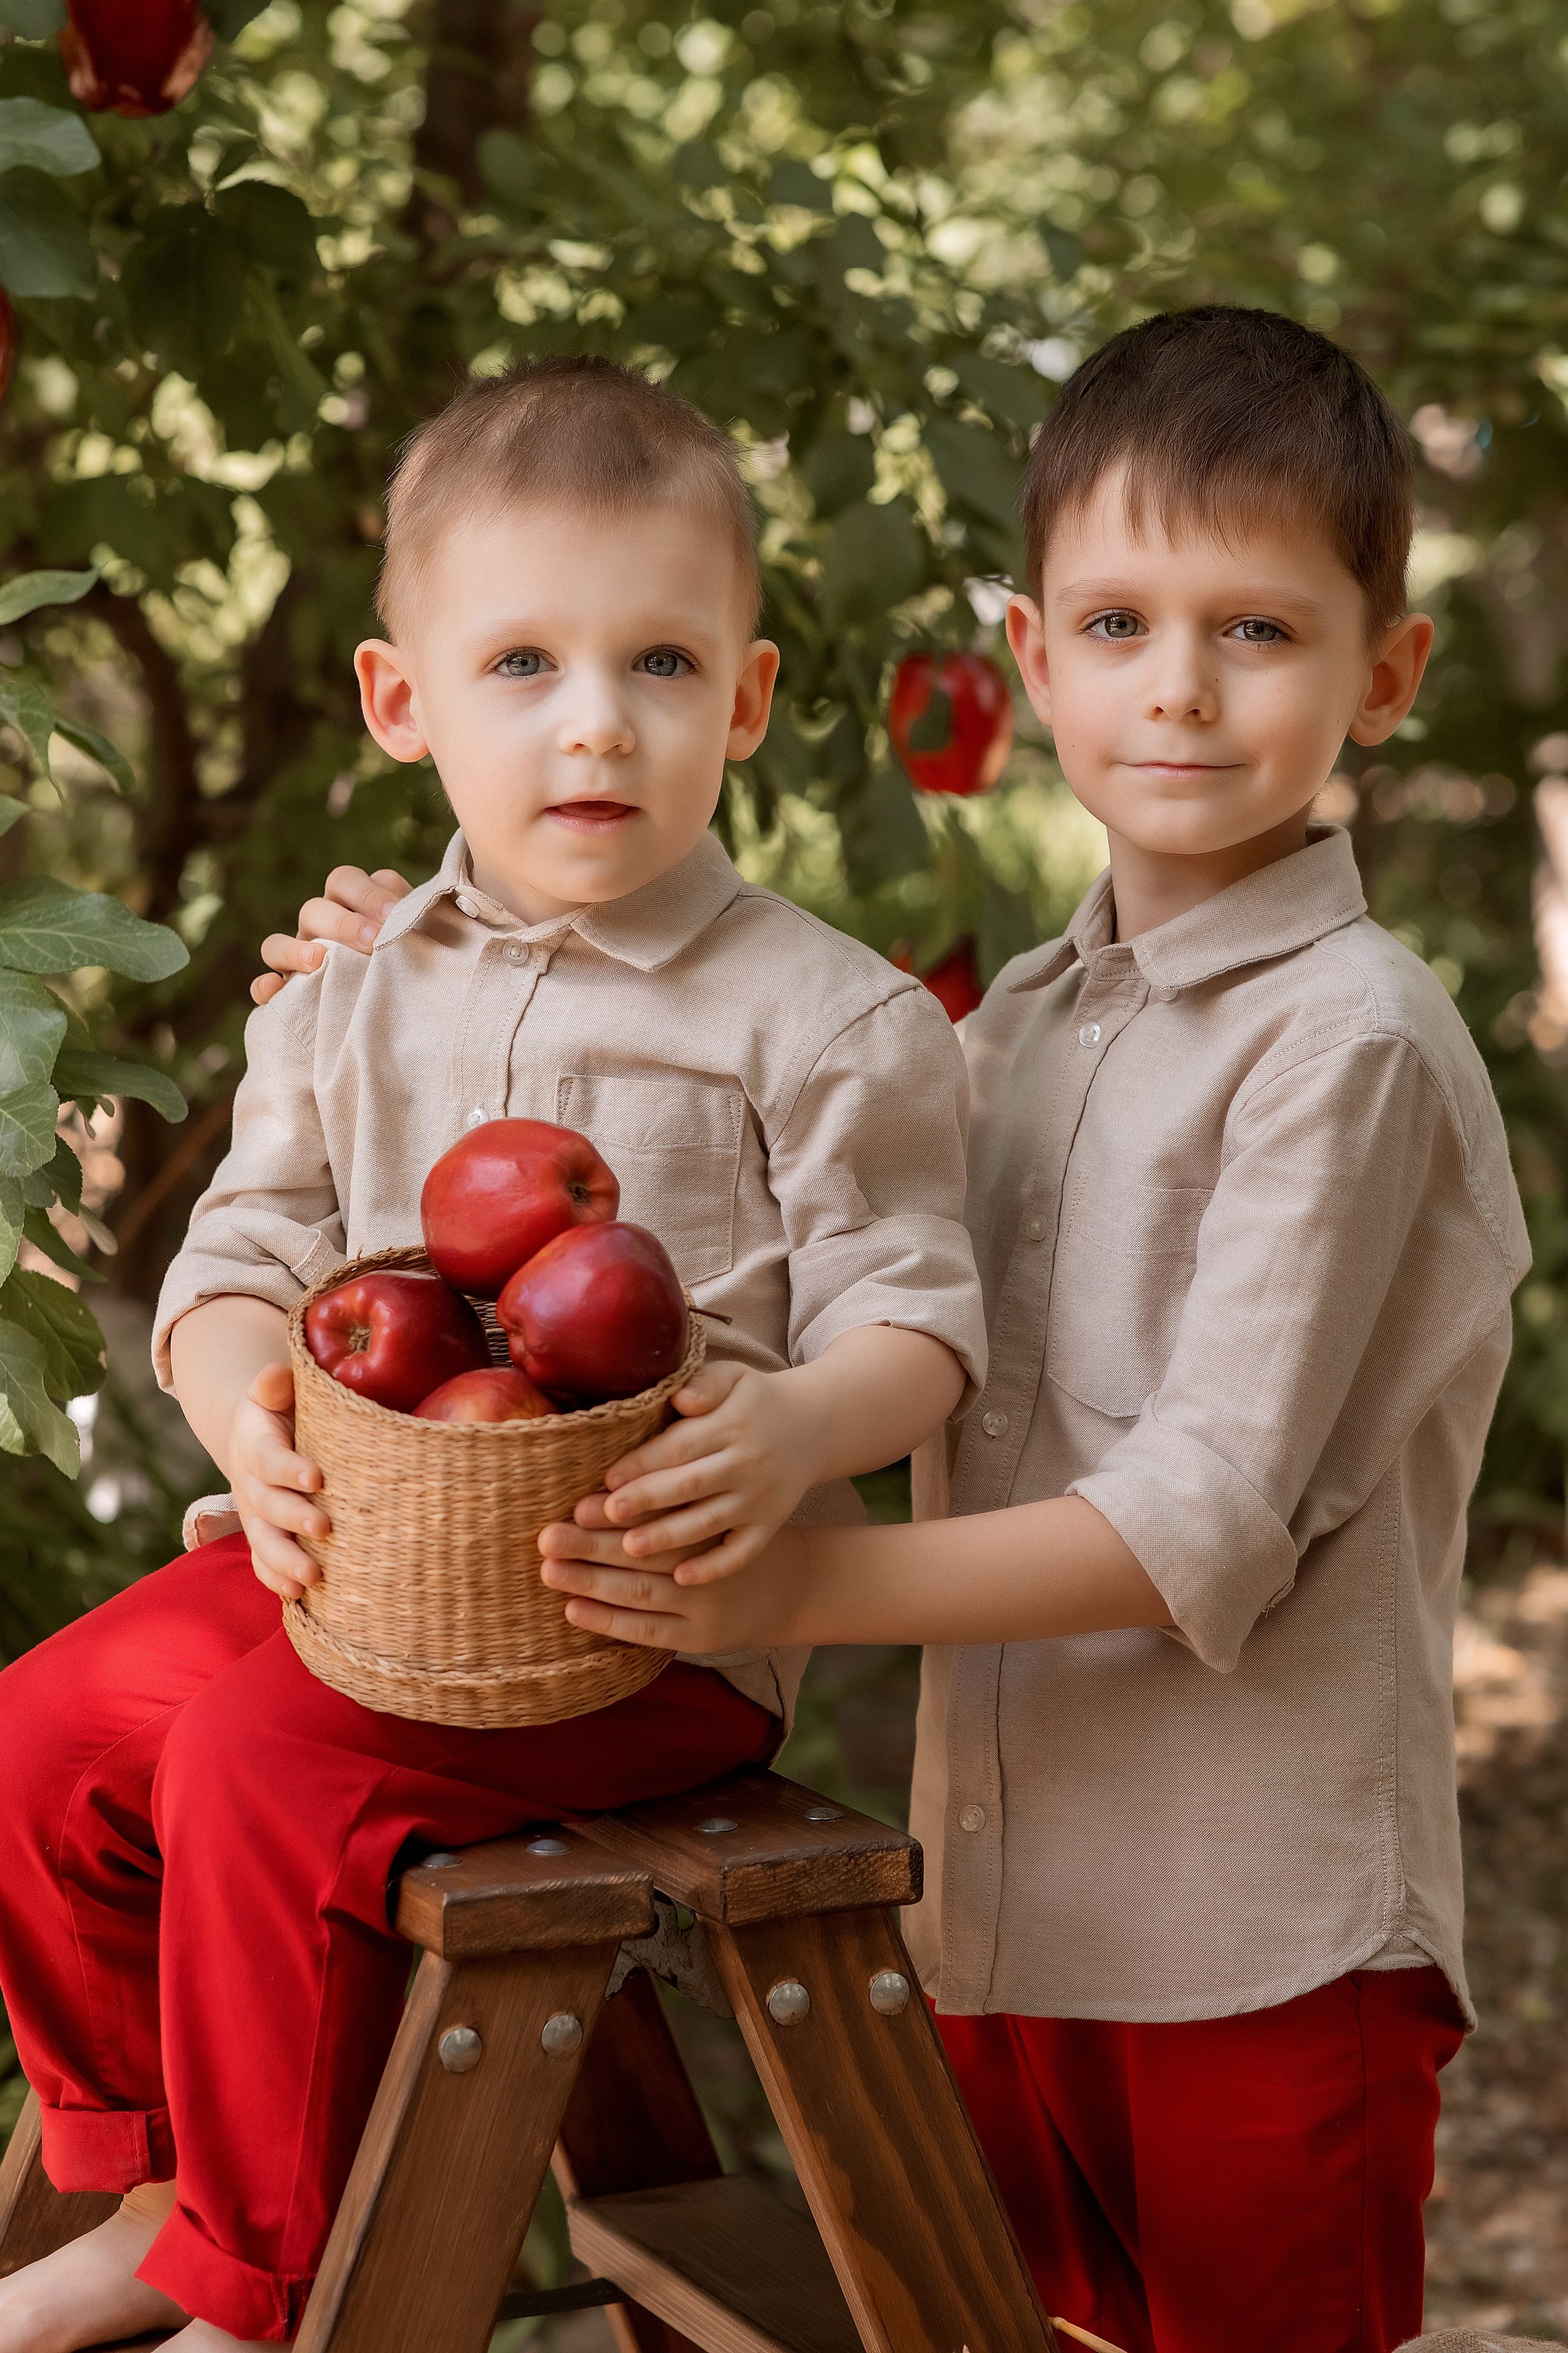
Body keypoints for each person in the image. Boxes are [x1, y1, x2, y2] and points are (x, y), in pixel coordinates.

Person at [271, 308, 1529, 2353]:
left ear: (1385, 673)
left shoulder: (1350, 1045)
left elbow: (1197, 1517)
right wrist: (419, 956)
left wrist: (785, 1580)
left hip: (1259, 1919)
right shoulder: (1008, 1027)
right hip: (995, 1904)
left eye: (1261, 634)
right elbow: (690, 1202)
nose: (1180, 690)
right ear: (1029, 662)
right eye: (1117, 624)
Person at [0, 357, 986, 2353]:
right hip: (346, 1578)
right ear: (403, 702)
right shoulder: (357, 988)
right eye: (521, 663)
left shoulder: (826, 1018)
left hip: (639, 1633)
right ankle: (166, 2185)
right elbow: (244, 1248)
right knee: (46, 1734)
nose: (595, 721)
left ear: (753, 697)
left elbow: (922, 1319)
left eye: (660, 662)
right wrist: (240, 1407)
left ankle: (260, 2292)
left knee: (258, 1771)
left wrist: (797, 1424)